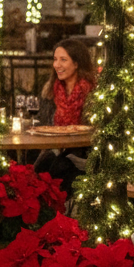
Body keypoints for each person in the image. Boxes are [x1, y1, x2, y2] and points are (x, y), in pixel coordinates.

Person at [34, 36, 98, 193]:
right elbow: (43, 125)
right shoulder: (50, 91)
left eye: (63, 60)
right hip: (54, 151)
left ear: (76, 64)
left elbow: (94, 130)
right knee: (38, 169)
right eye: (55, 59)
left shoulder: (93, 93)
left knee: (55, 170)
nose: (57, 65)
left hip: (83, 156)